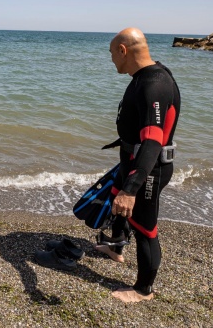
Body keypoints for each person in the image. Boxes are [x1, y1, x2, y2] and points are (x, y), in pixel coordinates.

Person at [35, 27, 181, 304]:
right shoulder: (144, 76)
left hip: (150, 168)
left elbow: (152, 142)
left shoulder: (154, 84)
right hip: (133, 161)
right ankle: (114, 248)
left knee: (145, 228)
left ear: (123, 50)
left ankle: (142, 290)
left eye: (112, 54)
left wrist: (131, 188)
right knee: (116, 202)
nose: (112, 60)